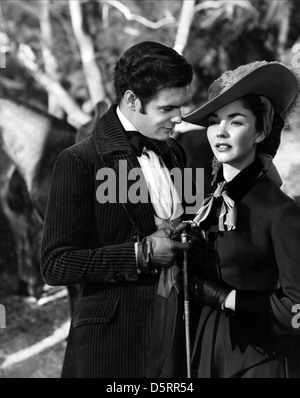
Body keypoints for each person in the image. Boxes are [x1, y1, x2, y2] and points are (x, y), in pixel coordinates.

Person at [40, 41, 195, 378]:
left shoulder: (176, 155)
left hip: (176, 331)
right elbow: (55, 263)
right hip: (113, 344)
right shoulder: (79, 160)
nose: (179, 119)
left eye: (181, 107)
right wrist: (141, 254)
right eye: (167, 109)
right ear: (131, 101)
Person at [184, 60, 300, 378]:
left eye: (235, 122)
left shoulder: (280, 211)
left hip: (260, 362)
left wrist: (226, 297)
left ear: (260, 131)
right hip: (207, 354)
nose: (220, 131)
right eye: (214, 121)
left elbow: (297, 309)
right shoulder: (206, 203)